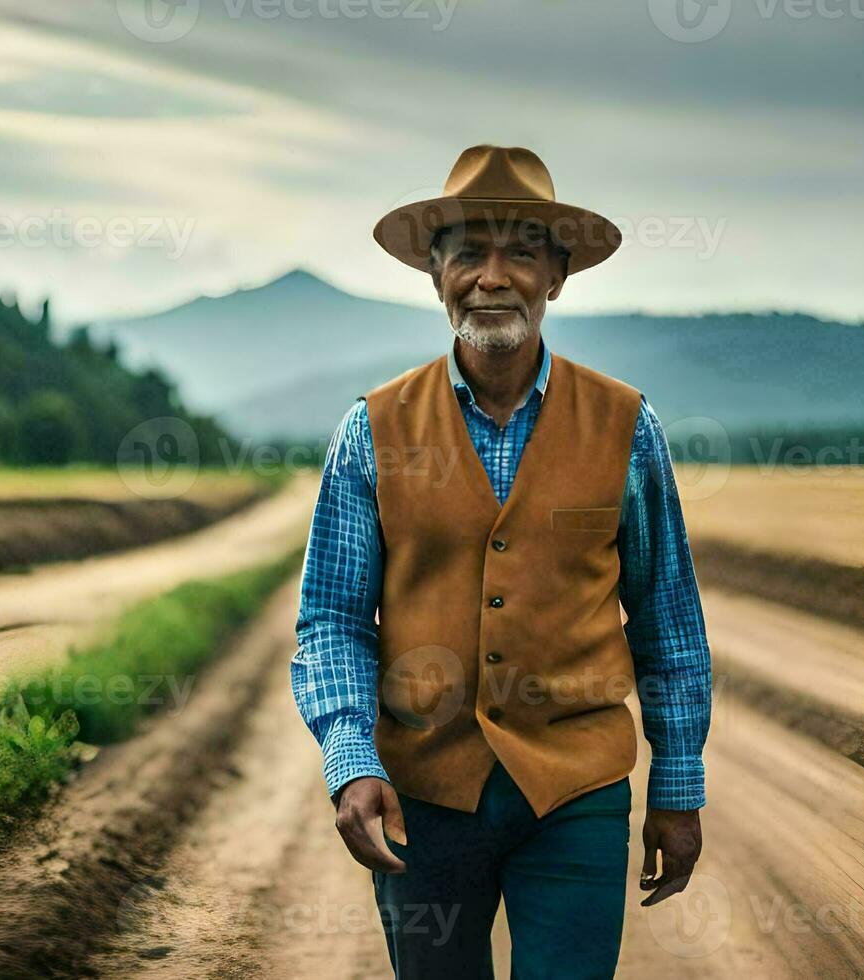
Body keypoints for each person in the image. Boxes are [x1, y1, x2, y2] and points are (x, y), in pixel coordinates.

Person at [291, 144, 712, 979]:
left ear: (557, 276)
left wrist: (679, 780)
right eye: (469, 254)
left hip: (576, 794)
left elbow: (667, 617)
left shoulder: (629, 427)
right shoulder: (369, 432)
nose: (493, 277)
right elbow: (333, 620)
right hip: (426, 795)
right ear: (435, 273)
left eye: (521, 252)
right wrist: (351, 760)